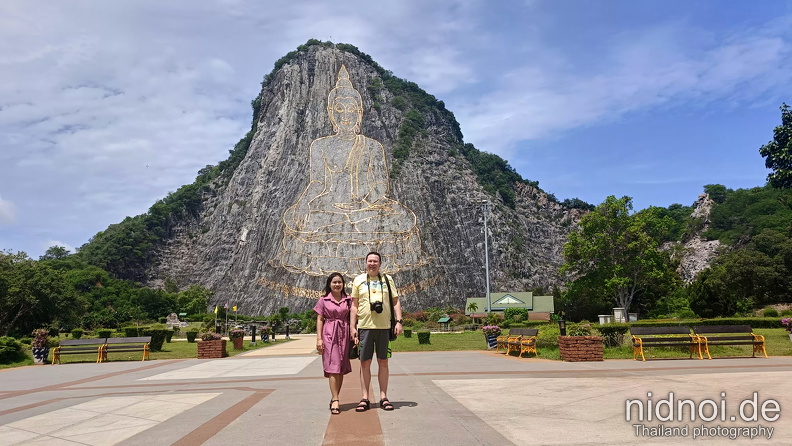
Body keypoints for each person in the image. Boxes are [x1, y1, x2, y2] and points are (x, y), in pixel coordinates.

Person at [273, 65, 424, 277]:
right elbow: (318, 182)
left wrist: (364, 202)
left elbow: (381, 184)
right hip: (331, 207)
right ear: (330, 113)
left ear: (359, 113)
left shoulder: (372, 146)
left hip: (366, 208)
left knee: (399, 216)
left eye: (352, 109)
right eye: (339, 109)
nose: (346, 115)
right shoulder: (320, 145)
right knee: (304, 218)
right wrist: (303, 203)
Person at [350, 252, 403, 412]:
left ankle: (383, 397)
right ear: (365, 262)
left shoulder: (387, 280)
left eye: (375, 261)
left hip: (384, 327)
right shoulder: (359, 280)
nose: (372, 264)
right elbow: (354, 305)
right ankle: (365, 397)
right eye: (370, 261)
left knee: (383, 362)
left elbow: (395, 301)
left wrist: (399, 321)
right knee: (364, 363)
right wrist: (352, 327)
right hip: (365, 327)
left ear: (380, 263)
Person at [314, 272, 354, 414]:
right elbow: (320, 319)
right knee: (333, 366)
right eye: (334, 282)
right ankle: (336, 399)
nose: (337, 284)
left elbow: (353, 316)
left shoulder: (348, 300)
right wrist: (319, 339)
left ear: (343, 284)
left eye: (339, 282)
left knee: (341, 367)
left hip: (344, 334)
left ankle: (335, 397)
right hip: (329, 334)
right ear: (329, 284)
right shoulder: (323, 300)